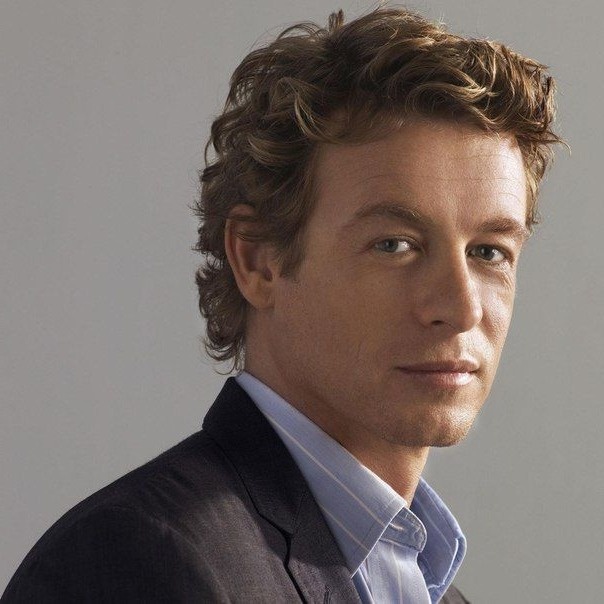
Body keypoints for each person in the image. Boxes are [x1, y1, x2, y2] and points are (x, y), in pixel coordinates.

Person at [2, 7, 562, 603]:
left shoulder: (429, 588)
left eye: (488, 251)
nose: (461, 307)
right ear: (258, 261)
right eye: (394, 245)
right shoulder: (140, 561)